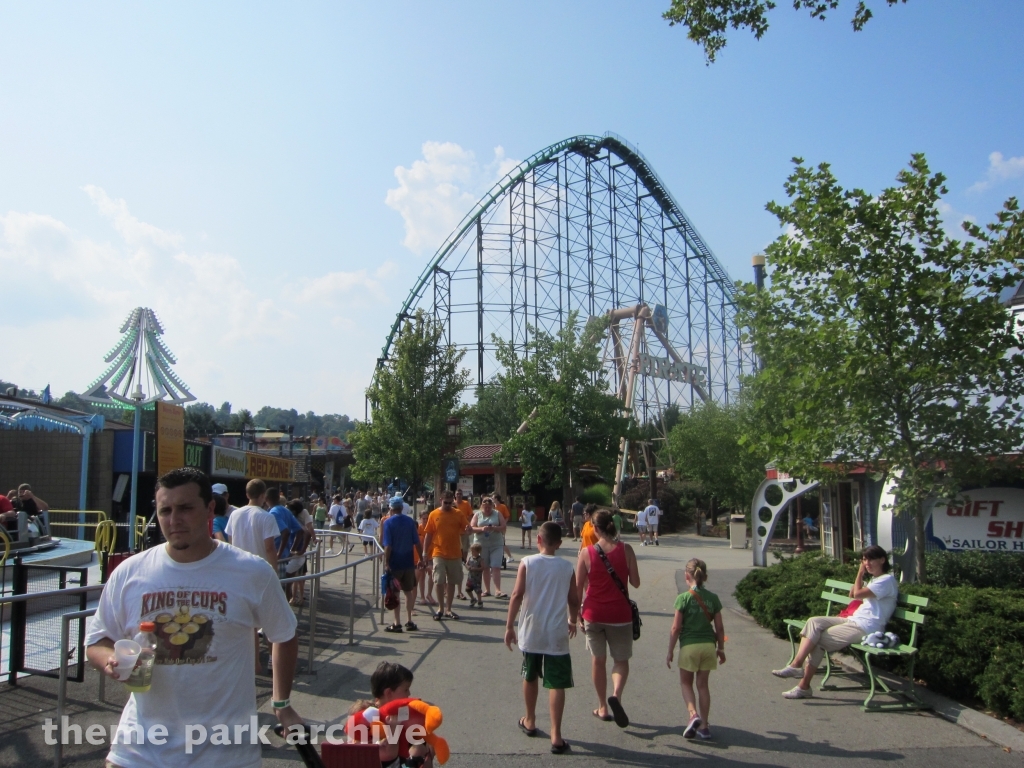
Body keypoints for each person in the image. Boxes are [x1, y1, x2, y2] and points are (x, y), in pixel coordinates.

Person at [85, 467, 304, 767]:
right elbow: (97, 640)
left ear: (210, 509)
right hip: (138, 751)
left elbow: (284, 634)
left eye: (185, 508)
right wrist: (111, 660)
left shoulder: (251, 572)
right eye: (165, 510)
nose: (174, 520)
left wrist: (281, 702)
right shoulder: (130, 572)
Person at [772, 545, 899, 699]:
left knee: (817, 641)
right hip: (852, 620)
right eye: (864, 560)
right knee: (814, 622)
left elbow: (857, 594)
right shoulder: (875, 580)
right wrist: (862, 576)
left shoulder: (886, 580)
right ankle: (797, 666)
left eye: (871, 559)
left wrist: (860, 572)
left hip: (866, 627)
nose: (867, 563)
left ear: (882, 560)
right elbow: (853, 593)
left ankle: (803, 685)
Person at [505, 521, 580, 755]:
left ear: (538, 539)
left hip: (532, 629)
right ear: (559, 543)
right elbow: (574, 599)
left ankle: (530, 719)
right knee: (556, 682)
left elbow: (517, 595)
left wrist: (509, 626)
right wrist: (573, 620)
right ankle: (556, 734)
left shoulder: (528, 563)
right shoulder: (567, 567)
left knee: (530, 675)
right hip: (556, 632)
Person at [576, 509, 640, 728]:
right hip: (620, 614)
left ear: (594, 527)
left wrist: (575, 614)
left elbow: (578, 587)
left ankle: (602, 706)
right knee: (620, 660)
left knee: (598, 660)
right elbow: (636, 582)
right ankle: (616, 695)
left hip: (593, 613)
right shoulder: (626, 549)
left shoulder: (586, 553)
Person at [666, 558, 725, 740]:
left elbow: (676, 628)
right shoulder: (713, 598)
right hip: (708, 646)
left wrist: (670, 650)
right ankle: (705, 727)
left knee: (686, 683)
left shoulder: (683, 598)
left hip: (689, 646)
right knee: (703, 685)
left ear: (686, 576)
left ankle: (693, 714)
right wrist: (721, 648)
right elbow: (720, 628)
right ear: (705, 577)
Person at [347, 661, 435, 767]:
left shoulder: (402, 711)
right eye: (406, 689)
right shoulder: (370, 717)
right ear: (389, 693)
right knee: (420, 751)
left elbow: (430, 708)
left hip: (401, 757)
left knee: (425, 745)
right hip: (387, 762)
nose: (409, 694)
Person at [421, 490, 468, 621]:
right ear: (440, 500)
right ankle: (440, 608)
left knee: (452, 582)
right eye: (445, 502)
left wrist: (469, 530)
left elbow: (466, 528)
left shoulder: (458, 513)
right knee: (439, 580)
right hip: (438, 552)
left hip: (455, 553)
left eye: (450, 502)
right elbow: (429, 534)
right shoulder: (433, 514)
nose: (448, 505)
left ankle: (449, 609)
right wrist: (425, 553)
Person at [382, 496, 422, 632]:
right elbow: (417, 542)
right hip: (408, 561)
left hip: (395, 562)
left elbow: (388, 545)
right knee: (408, 591)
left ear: (391, 508)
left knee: (395, 592)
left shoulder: (388, 523)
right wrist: (421, 558)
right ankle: (409, 620)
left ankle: (397, 622)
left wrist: (386, 562)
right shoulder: (410, 522)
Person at [224, 478, 279, 566]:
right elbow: (269, 548)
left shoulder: (234, 514)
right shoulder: (268, 517)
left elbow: (231, 542)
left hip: (239, 567)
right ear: (263, 495)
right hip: (259, 568)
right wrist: (275, 572)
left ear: (247, 495)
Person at [470, 497, 508, 600]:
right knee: (485, 567)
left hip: (496, 544)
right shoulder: (477, 514)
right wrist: (481, 529)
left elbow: (504, 526)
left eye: (489, 507)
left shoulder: (497, 513)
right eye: (485, 507)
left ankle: (498, 590)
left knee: (496, 566)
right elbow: (472, 528)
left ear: (492, 506)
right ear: (482, 506)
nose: (487, 509)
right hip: (481, 544)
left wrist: (494, 528)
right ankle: (487, 590)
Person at [267, 488, 306, 578]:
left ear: (266, 498)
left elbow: (286, 532)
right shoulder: (286, 511)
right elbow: (300, 531)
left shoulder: (273, 513)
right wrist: (292, 549)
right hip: (285, 556)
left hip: (276, 556)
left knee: (276, 587)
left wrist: (278, 554)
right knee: (284, 588)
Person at [453, 489, 474, 600]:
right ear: (455, 496)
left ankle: (463, 561)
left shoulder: (466, 504)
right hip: (454, 534)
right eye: (457, 494)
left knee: (464, 549)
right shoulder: (452, 504)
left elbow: (470, 515)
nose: (459, 495)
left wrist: (468, 524)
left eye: (460, 494)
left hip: (463, 532)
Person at [417, 509, 436, 606]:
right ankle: (422, 597)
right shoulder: (419, 528)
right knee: (421, 575)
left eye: (427, 518)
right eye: (423, 518)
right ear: (420, 519)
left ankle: (429, 594)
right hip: (421, 555)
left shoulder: (431, 528)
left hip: (431, 554)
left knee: (432, 574)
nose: (425, 520)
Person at [492, 492, 515, 565]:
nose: (492, 499)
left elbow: (507, 516)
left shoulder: (502, 506)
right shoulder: (492, 507)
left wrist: (503, 523)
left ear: (496, 499)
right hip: (493, 527)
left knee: (502, 543)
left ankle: (510, 556)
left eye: (493, 498)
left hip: (501, 528)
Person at [465, 542, 484, 608]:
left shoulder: (480, 559)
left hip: (477, 578)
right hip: (470, 578)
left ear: (478, 551)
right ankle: (473, 599)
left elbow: (482, 568)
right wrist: (468, 567)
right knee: (468, 589)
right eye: (471, 551)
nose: (472, 552)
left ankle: (479, 601)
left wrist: (476, 569)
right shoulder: (470, 558)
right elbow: (466, 564)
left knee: (478, 590)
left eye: (474, 551)